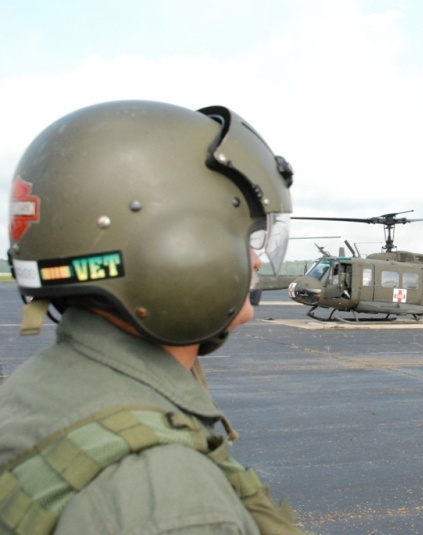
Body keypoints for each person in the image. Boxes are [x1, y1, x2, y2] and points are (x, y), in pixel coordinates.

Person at [0, 100, 310, 534]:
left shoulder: (40, 391)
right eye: (244, 237)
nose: (256, 262)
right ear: (176, 246)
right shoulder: (169, 498)